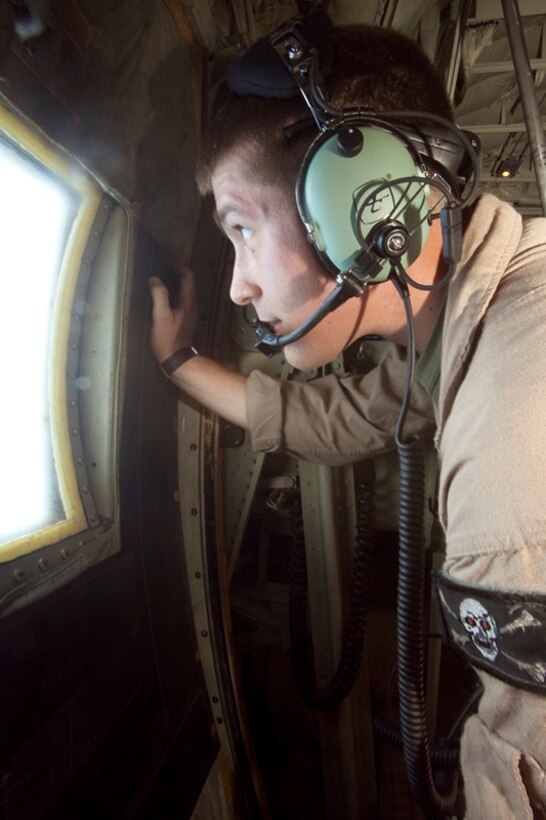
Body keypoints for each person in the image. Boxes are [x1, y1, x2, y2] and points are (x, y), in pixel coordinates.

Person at [149, 16, 546, 819]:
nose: (238, 286)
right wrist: (179, 363)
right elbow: (340, 418)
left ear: (363, 203)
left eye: (242, 230)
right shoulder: (470, 320)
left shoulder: (512, 458)